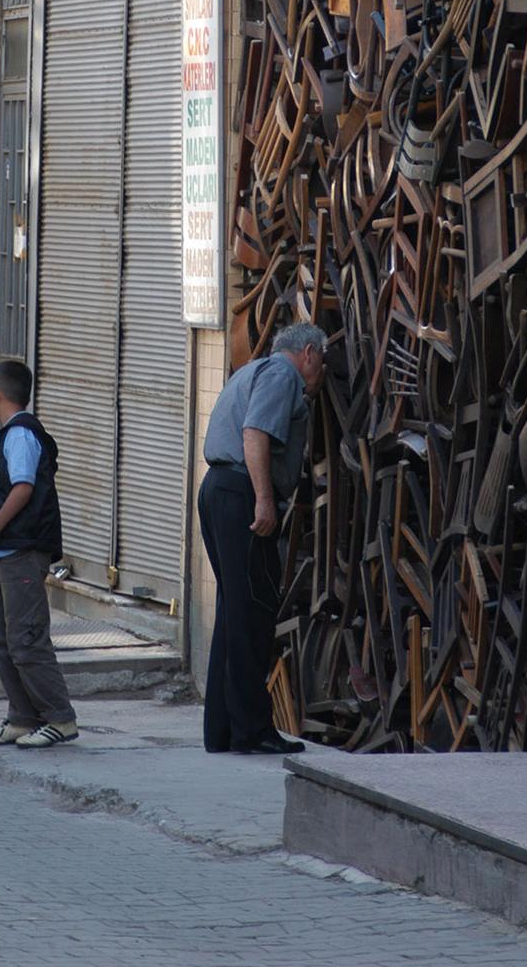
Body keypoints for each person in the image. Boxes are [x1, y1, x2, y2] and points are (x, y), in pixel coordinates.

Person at [198, 321, 328, 756]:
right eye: (321, 362)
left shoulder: (250, 371)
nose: (320, 373)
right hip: (240, 496)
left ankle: (223, 732)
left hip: (218, 490)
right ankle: (253, 731)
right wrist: (264, 501)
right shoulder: (282, 376)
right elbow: (254, 435)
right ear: (308, 352)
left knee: (235, 614)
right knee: (253, 613)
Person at [0, 360, 78, 750]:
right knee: (3, 638)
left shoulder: (20, 436)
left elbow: (23, 488)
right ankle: (22, 716)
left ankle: (59, 718)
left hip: (21, 550)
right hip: (4, 552)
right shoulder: (10, 435)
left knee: (27, 638)